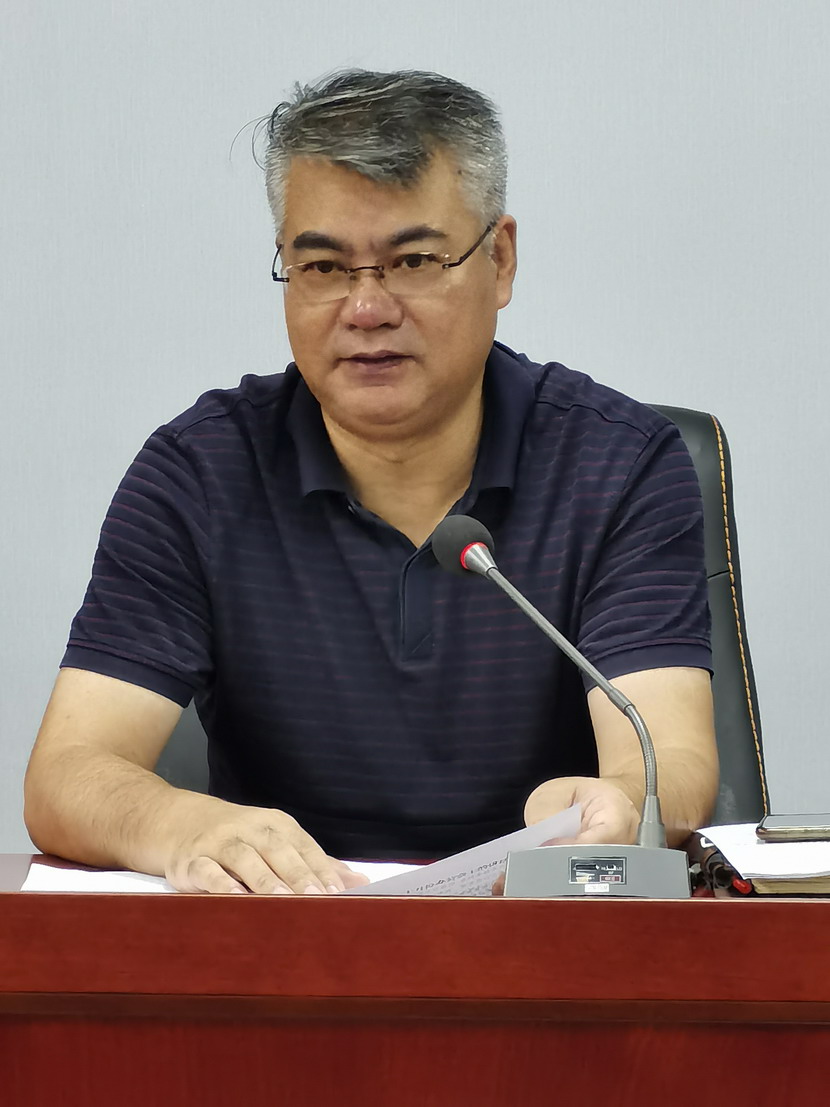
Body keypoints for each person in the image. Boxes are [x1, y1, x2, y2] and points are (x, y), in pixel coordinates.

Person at [24, 69, 718, 895]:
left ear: (499, 260)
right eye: (323, 267)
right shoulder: (200, 473)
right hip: (284, 941)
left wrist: (621, 804)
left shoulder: (618, 463)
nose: (365, 309)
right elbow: (67, 773)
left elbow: (669, 756)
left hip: (545, 934)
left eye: (413, 260)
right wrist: (182, 826)